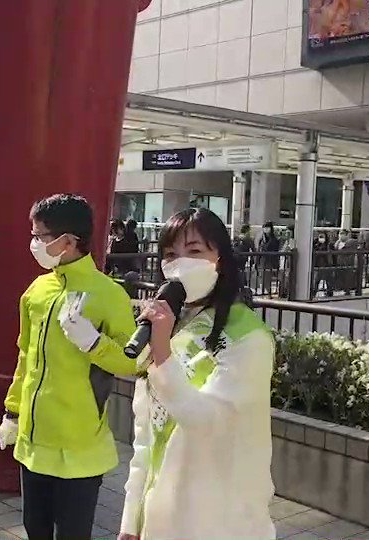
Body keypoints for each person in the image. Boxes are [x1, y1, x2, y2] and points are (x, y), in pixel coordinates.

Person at [119, 208, 275, 540]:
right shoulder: (172, 327)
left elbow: (207, 423)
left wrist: (162, 354)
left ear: (220, 259)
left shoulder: (249, 337)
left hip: (219, 521)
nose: (180, 264)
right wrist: (131, 519)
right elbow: (146, 434)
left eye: (194, 251)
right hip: (159, 518)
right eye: (170, 255)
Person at [0, 194, 138, 540]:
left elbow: (133, 363)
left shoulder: (108, 294)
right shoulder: (37, 290)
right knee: (36, 529)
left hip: (79, 445)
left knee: (73, 534)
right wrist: (12, 412)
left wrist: (93, 342)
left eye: (41, 236)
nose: (34, 244)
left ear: (69, 240)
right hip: (34, 441)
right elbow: (25, 357)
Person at [257, 222, 281, 296]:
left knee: (267, 277)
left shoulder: (273, 239)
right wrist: (257, 261)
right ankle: (267, 292)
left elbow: (272, 248)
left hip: (270, 260)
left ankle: (269, 293)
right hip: (263, 260)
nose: (266, 229)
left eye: (267, 228)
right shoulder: (262, 239)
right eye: (264, 228)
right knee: (262, 277)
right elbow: (259, 250)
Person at [333, 229, 359, 295]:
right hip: (339, 262)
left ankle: (347, 290)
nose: (340, 236)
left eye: (342, 234)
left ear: (346, 235)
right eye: (340, 234)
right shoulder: (337, 243)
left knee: (348, 277)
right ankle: (340, 288)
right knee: (340, 276)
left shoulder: (351, 242)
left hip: (348, 263)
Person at [312, 231, 334, 297]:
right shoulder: (315, 244)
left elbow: (333, 255)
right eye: (320, 237)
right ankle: (313, 293)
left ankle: (329, 292)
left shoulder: (329, 245)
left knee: (328, 280)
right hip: (318, 264)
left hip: (327, 264)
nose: (321, 238)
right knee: (316, 280)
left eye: (322, 237)